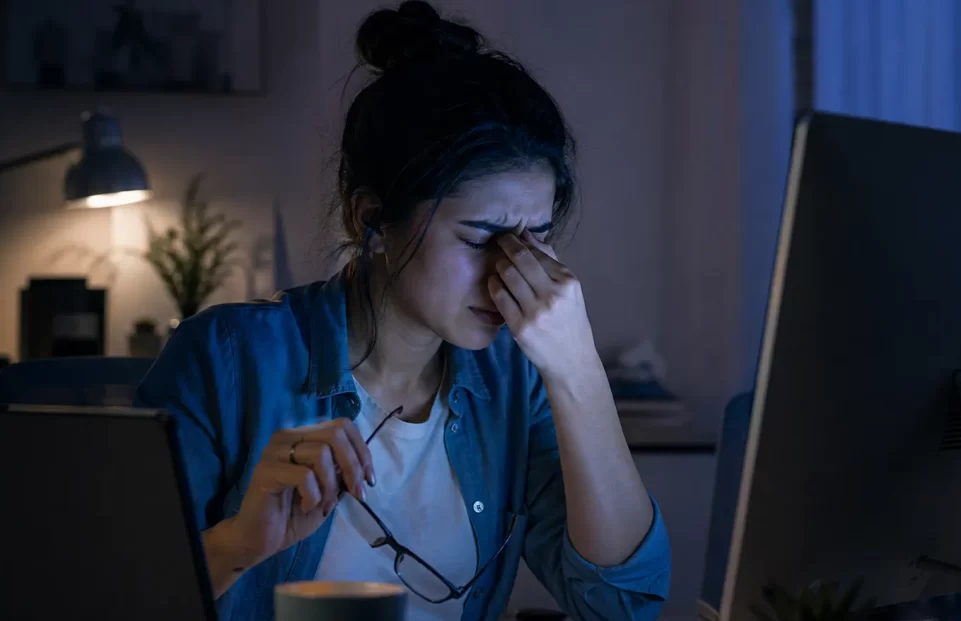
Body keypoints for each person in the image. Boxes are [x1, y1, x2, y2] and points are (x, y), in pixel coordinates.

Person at [135, 2, 671, 620]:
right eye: (480, 239)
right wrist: (239, 544)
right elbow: (108, 593)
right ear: (372, 221)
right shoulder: (226, 359)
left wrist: (578, 370)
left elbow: (623, 606)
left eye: (537, 239)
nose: (512, 274)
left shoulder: (513, 382)